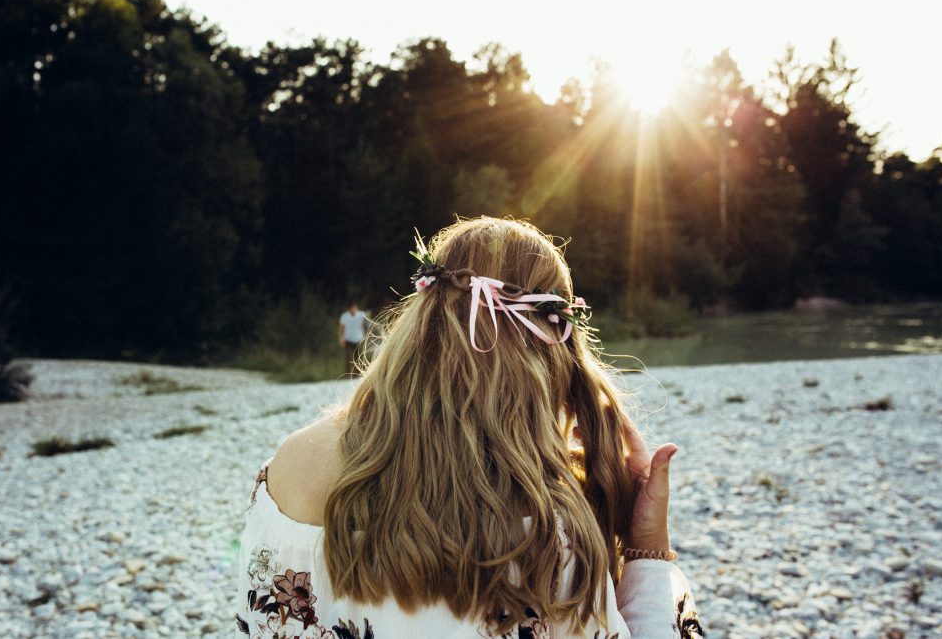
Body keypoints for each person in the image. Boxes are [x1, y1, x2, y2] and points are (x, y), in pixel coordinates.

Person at [235, 218, 703, 638]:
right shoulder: (547, 528)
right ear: (551, 347)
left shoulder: (291, 466)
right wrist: (647, 548)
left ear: (421, 316)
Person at [338, 301, 369, 377]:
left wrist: (367, 334)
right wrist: (341, 338)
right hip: (348, 339)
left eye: (355, 308)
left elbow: (366, 324)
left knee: (359, 357)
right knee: (348, 358)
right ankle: (347, 375)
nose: (354, 310)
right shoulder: (345, 316)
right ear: (349, 309)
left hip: (359, 339)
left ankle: (358, 374)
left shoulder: (361, 315)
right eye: (352, 308)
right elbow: (341, 328)